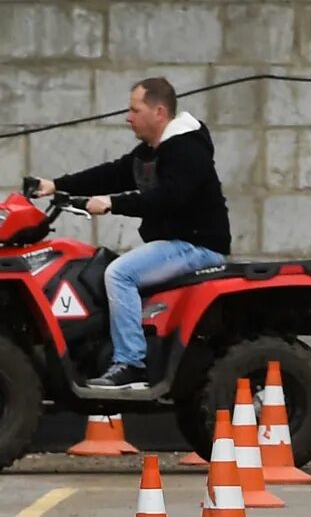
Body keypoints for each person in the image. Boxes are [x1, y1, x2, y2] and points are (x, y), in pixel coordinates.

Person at [38, 77, 231, 393]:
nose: (128, 117)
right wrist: (56, 185)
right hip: (174, 244)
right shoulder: (150, 152)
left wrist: (112, 204)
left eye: (134, 109)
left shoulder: (186, 149)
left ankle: (130, 364)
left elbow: (169, 196)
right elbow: (113, 173)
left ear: (158, 112)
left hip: (197, 246)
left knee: (120, 274)